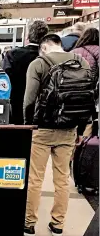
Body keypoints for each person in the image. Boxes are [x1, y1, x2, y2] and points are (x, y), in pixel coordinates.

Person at [23, 34, 91, 236]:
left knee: (35, 178)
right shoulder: (81, 62)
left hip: (42, 130)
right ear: (60, 45)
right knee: (61, 180)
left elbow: (29, 100)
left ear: (43, 47)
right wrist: (80, 130)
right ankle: (57, 224)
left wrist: (29, 126)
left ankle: (29, 223)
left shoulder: (38, 63)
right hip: (69, 129)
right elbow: (84, 98)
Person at [2, 20, 49, 125]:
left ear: (28, 35)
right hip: (42, 108)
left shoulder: (12, 54)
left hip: (16, 103)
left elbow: (5, 79)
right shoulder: (48, 57)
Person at [71, 27, 99, 137]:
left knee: (75, 115)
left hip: (73, 89)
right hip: (91, 91)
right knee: (89, 118)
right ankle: (85, 141)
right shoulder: (98, 50)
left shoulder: (74, 51)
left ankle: (75, 137)